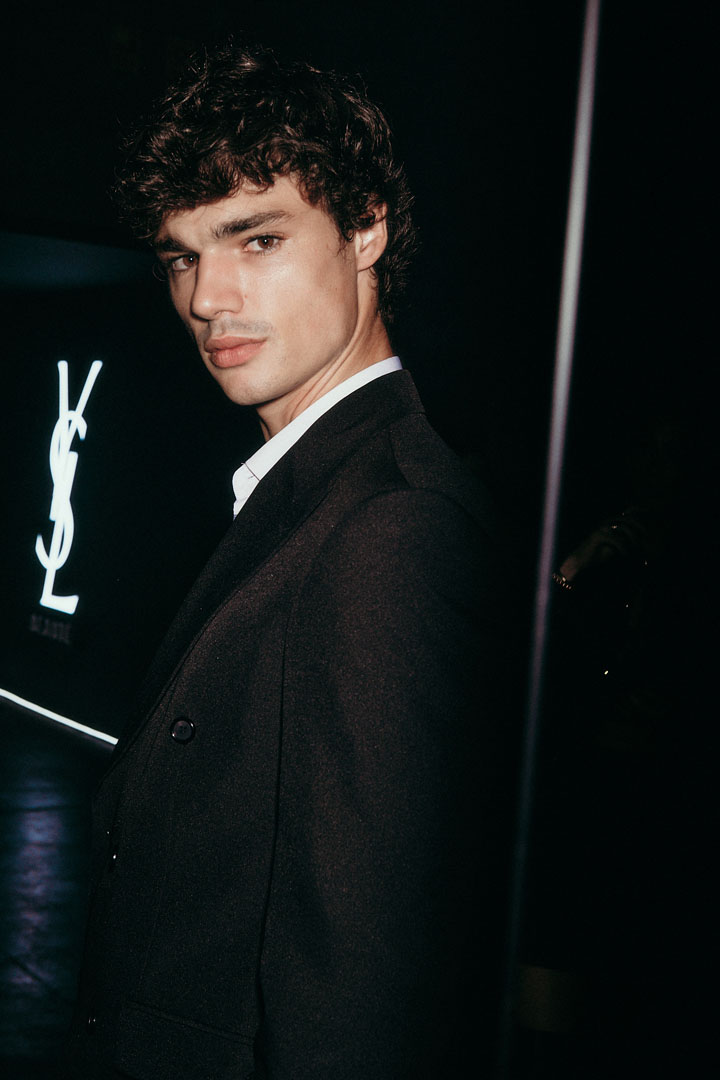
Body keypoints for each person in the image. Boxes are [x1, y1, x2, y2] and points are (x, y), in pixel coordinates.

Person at [64, 42, 514, 1079]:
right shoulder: (314, 492)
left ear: (367, 231)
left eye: (257, 239)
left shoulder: (394, 526)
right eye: (181, 257)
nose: (206, 297)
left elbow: (360, 993)